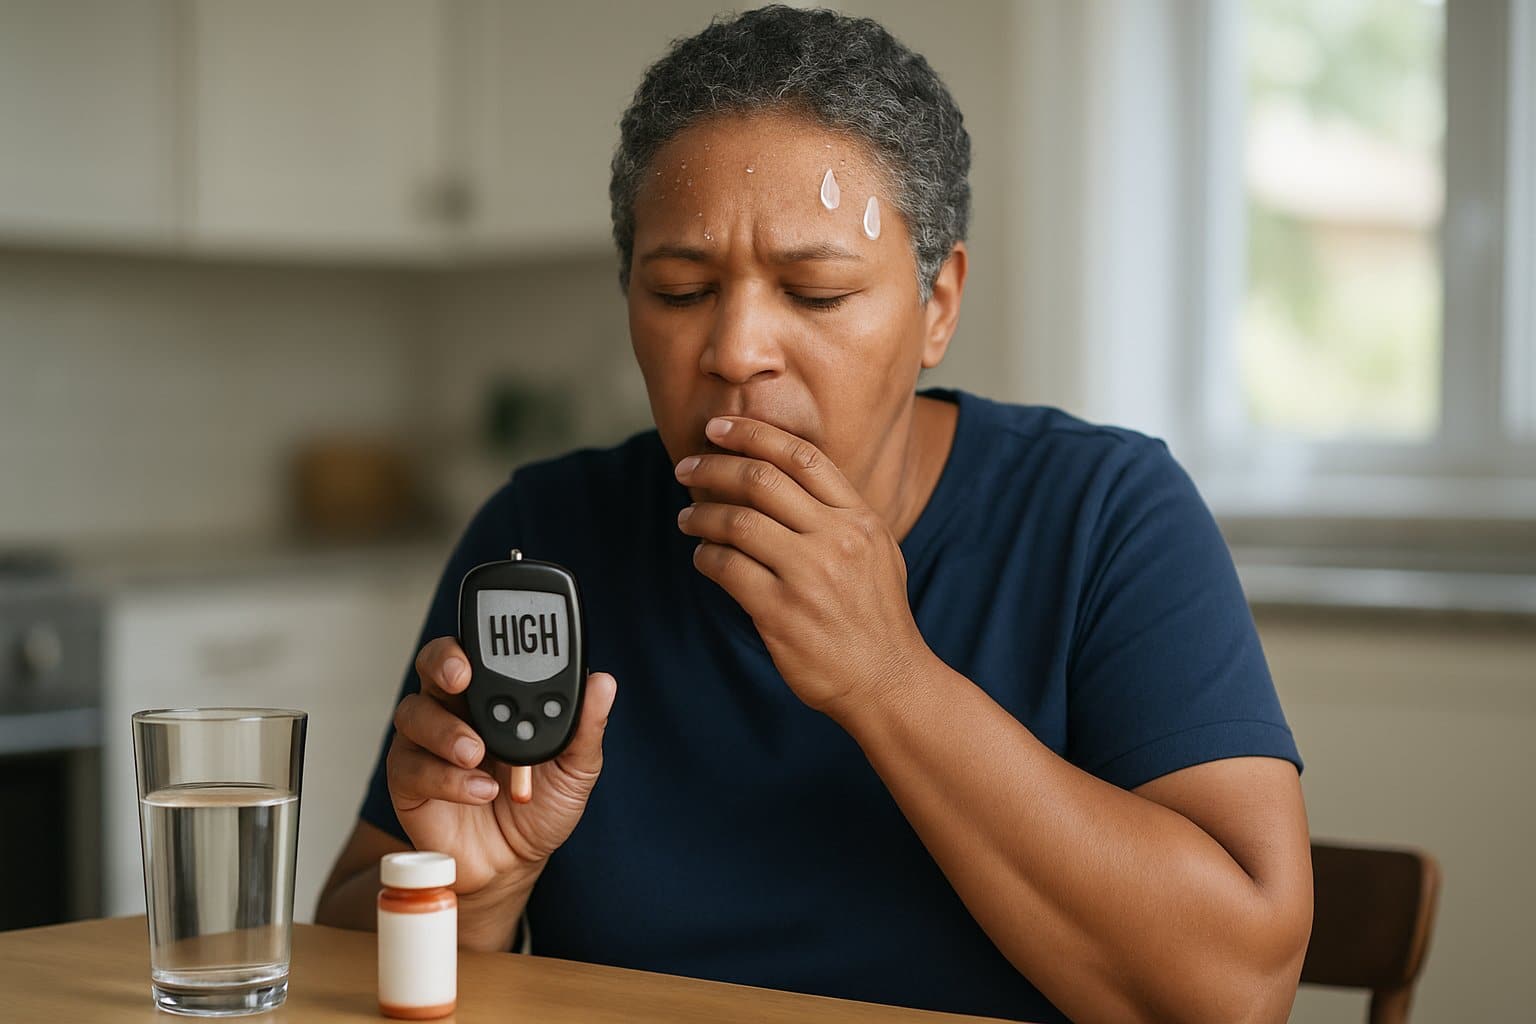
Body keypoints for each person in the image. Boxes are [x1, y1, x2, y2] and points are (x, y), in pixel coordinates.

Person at [317, 6, 1312, 1021]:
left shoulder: (1105, 516)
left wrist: (889, 678)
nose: (737, 348)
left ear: (939, 306)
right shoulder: (544, 539)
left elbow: (1238, 992)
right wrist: (473, 894)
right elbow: (346, 948)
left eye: (818, 292)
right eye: (680, 289)